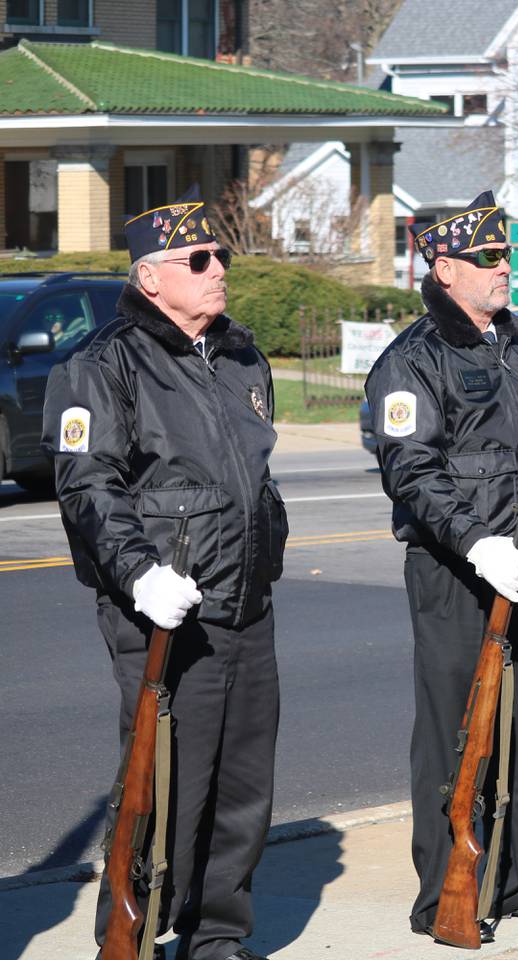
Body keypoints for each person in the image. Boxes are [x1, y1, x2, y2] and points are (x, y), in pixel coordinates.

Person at [44, 186, 287, 960]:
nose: (219, 269)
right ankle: (134, 932)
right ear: (152, 278)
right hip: (165, 608)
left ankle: (216, 934)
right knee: (164, 785)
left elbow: (255, 475)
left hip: (245, 600)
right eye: (199, 258)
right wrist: (142, 572)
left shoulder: (241, 355)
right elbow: (87, 484)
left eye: (220, 256)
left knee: (242, 787)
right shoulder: (104, 364)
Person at [365, 190, 518, 944]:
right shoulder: (414, 358)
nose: (505, 268)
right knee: (455, 735)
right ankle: (444, 895)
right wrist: (475, 543)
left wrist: (515, 548)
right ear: (444, 266)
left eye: (507, 255)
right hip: (457, 572)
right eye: (489, 258)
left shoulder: (514, 344)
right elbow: (412, 469)